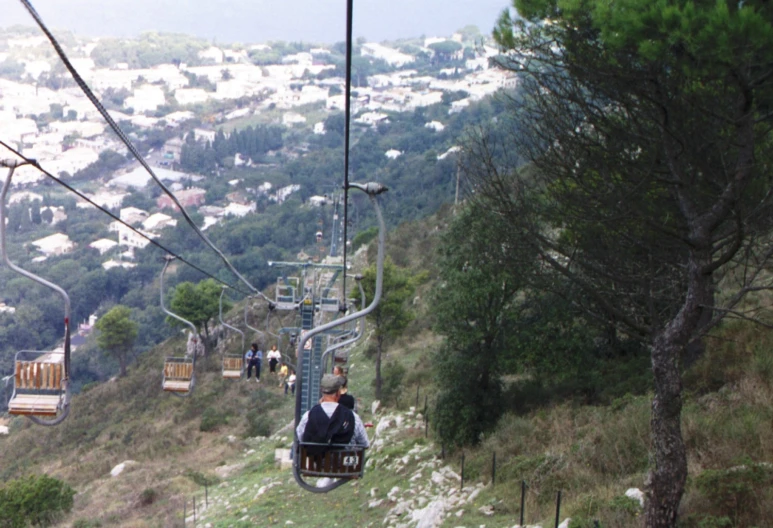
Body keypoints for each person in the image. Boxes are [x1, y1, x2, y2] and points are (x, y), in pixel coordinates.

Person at [295, 374, 369, 452]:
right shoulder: (353, 417)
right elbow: (365, 444)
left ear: (322, 392)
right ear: (338, 393)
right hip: (342, 463)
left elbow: (301, 438)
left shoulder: (308, 416)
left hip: (317, 463)